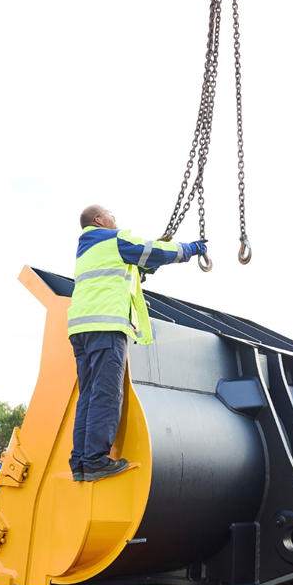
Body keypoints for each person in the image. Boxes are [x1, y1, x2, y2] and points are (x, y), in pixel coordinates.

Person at [67, 205, 206, 482]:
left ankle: (81, 463)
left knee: (90, 395)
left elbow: (134, 267)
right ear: (99, 220)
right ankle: (95, 461)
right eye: (110, 215)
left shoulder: (88, 249)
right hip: (106, 326)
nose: (115, 218)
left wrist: (146, 266)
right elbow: (155, 250)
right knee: (106, 393)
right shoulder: (114, 239)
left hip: (81, 329)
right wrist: (192, 249)